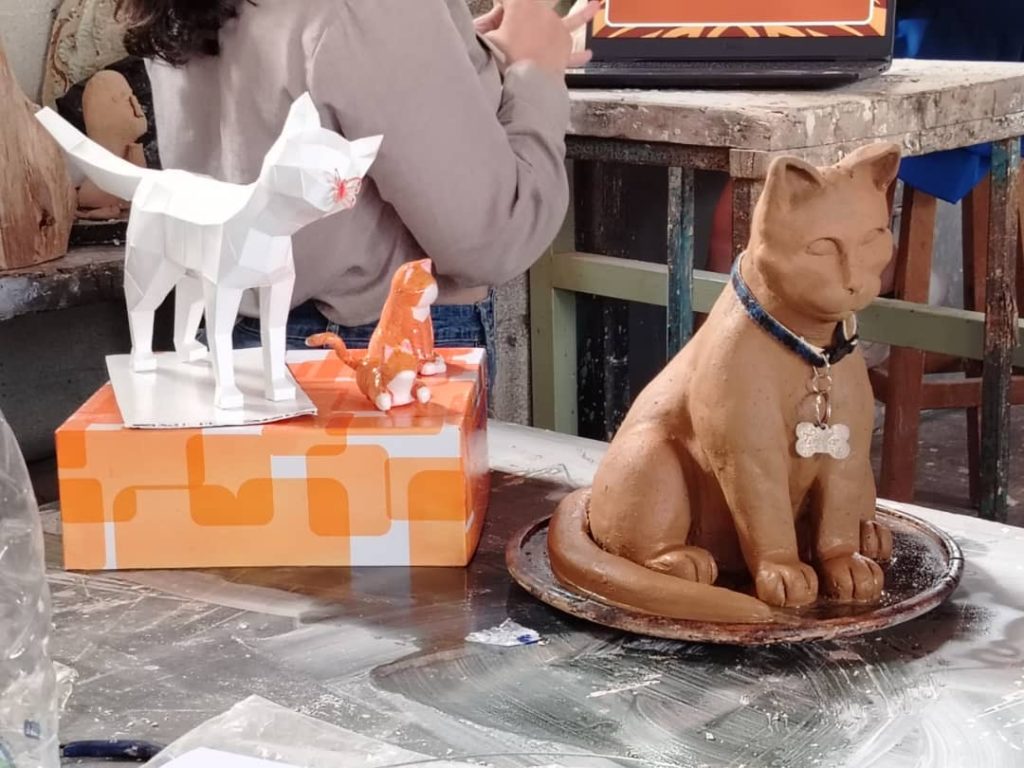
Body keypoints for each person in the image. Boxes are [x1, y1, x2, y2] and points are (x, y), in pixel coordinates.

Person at [114, 0, 598, 386]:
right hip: (372, 354)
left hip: (235, 341)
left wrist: (453, 57)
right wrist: (536, 72)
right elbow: (494, 238)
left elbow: (289, 78)